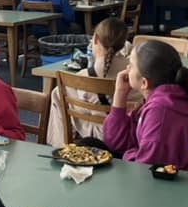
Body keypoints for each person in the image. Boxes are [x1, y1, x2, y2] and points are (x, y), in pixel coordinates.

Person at [102, 39, 188, 171]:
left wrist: (131, 153)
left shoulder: (160, 111)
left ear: (144, 83)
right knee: (91, 145)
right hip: (167, 173)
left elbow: (145, 169)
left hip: (183, 185)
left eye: (131, 65)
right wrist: (120, 94)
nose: (127, 69)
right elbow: (117, 142)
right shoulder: (166, 96)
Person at [46, 17, 131, 147]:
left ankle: (61, 146)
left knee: (58, 93)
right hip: (128, 133)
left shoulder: (83, 76)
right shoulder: (133, 71)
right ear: (124, 43)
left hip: (97, 134)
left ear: (95, 39)